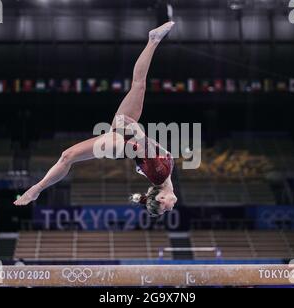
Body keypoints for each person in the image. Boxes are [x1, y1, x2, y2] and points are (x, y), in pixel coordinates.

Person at [14, 22, 177, 217]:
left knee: (68, 156)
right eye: (166, 210)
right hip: (125, 139)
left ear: (160, 198)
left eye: (166, 209)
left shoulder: (160, 175)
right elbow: (147, 154)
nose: (170, 208)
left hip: (122, 142)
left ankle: (36, 189)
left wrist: (135, 130)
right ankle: (153, 40)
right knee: (138, 85)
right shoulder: (163, 176)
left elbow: (144, 148)